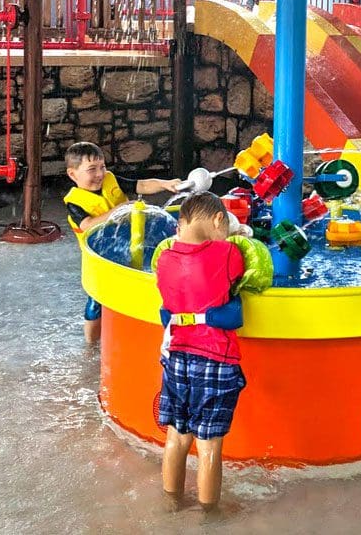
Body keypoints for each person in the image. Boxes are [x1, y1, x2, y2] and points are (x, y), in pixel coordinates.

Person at [153, 192, 247, 513]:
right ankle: (209, 516)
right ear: (219, 220)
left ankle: (171, 505)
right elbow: (246, 272)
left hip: (176, 357)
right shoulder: (226, 252)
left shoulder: (164, 259)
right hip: (215, 359)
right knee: (209, 446)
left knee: (176, 438)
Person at [63, 141, 180, 343]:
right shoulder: (74, 201)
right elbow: (87, 225)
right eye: (92, 169)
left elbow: (141, 185)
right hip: (100, 259)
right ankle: (91, 346)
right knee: (96, 300)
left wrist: (164, 184)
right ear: (73, 174)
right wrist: (120, 210)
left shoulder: (111, 180)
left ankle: (136, 332)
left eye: (103, 167)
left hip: (127, 246)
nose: (100, 174)